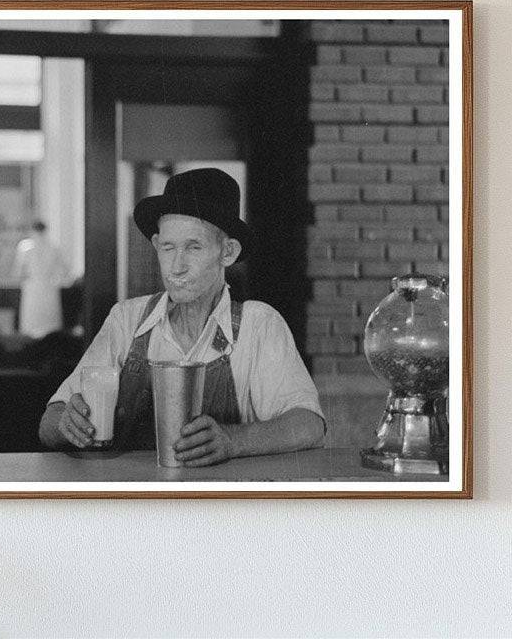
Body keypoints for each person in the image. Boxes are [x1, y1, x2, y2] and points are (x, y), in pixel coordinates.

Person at [39, 168, 326, 466]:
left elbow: (310, 425)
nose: (176, 267)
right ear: (156, 245)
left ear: (227, 252)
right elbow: (49, 424)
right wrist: (67, 422)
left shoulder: (259, 325)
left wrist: (233, 440)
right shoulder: (127, 319)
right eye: (168, 247)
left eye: (193, 247)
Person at [14, 220, 69, 338]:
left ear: (32, 230)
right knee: (49, 325)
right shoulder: (54, 247)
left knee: (32, 323)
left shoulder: (25, 247)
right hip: (49, 287)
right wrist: (55, 280)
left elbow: (18, 271)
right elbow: (64, 271)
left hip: (32, 287)